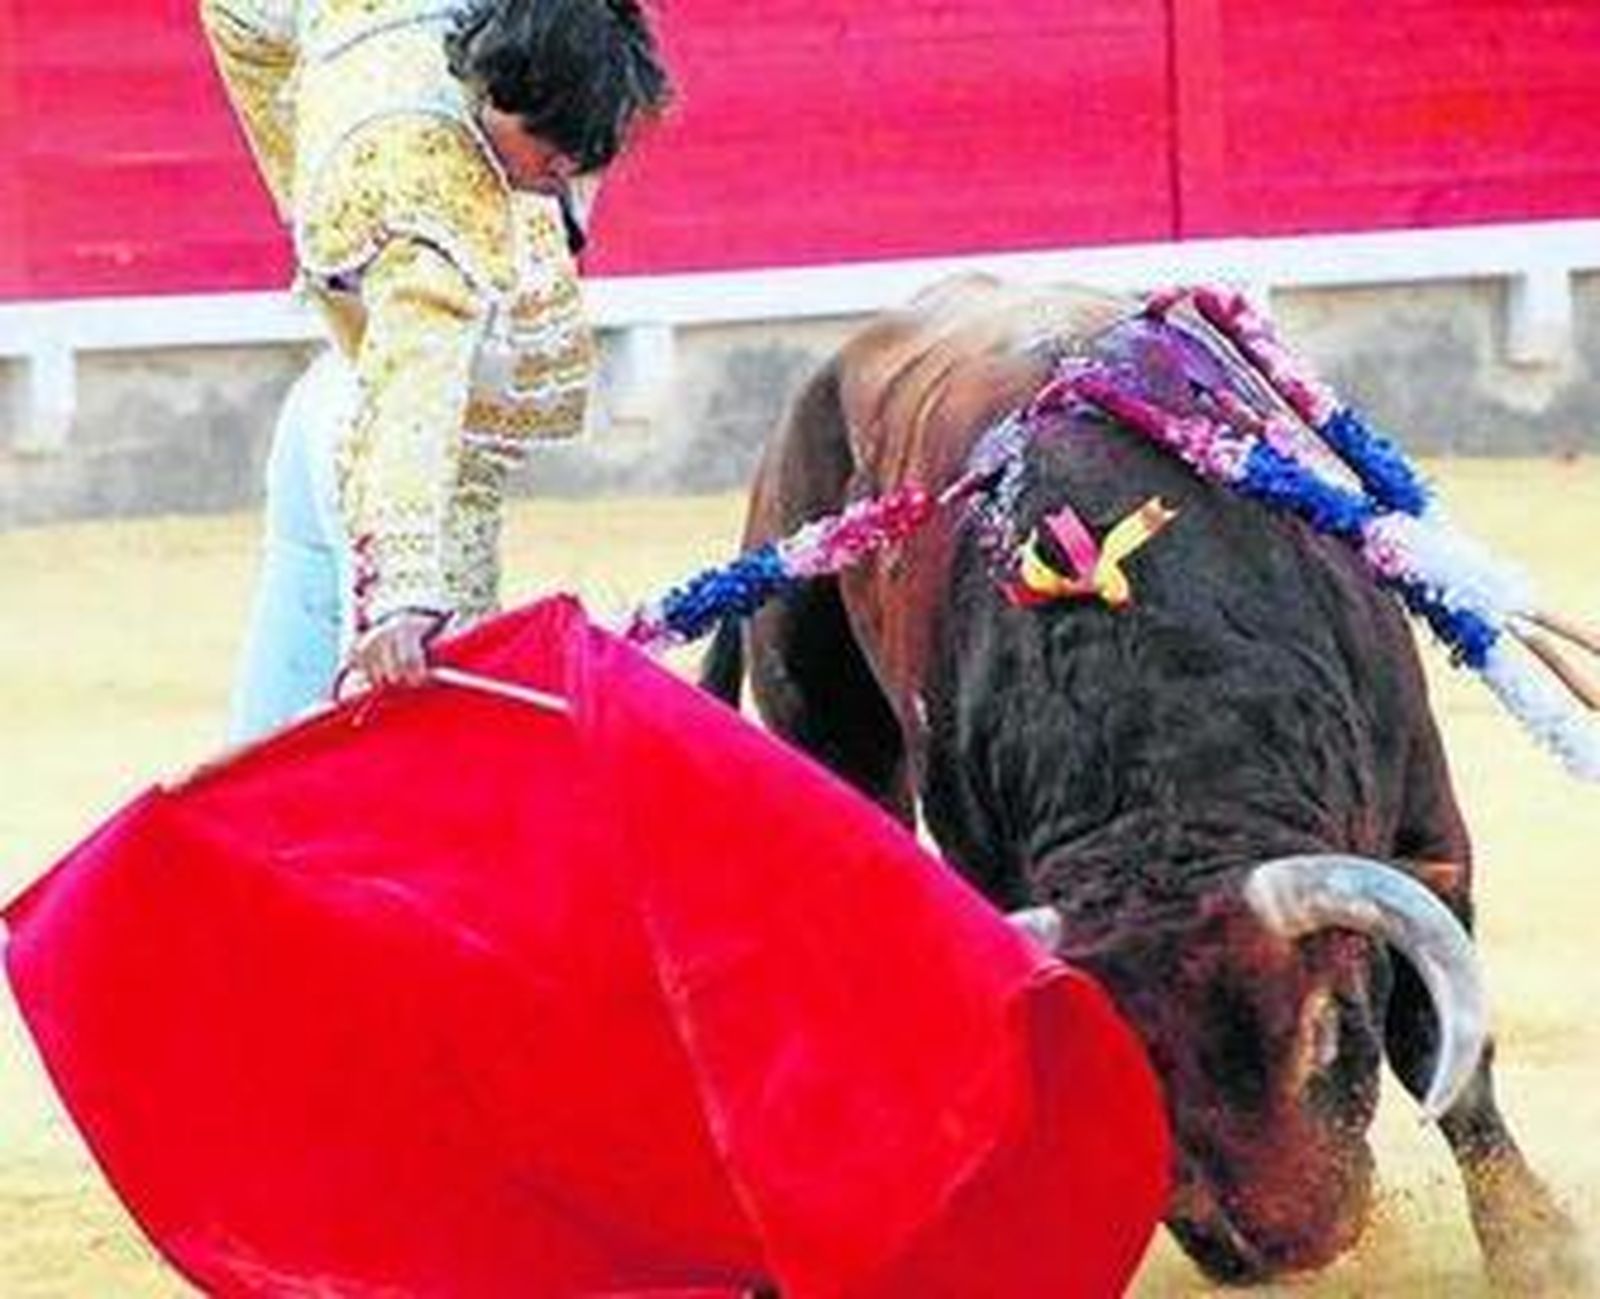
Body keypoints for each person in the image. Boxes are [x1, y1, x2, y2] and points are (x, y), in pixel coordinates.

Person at [201, 0, 671, 740]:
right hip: (394, 466)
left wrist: (298, 177)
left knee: (266, 750)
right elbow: (413, 395)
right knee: (419, 770)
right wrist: (405, 591)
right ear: (494, 95)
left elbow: (242, 16)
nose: (559, 173)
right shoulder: (438, 207)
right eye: (550, 149)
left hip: (324, 403)